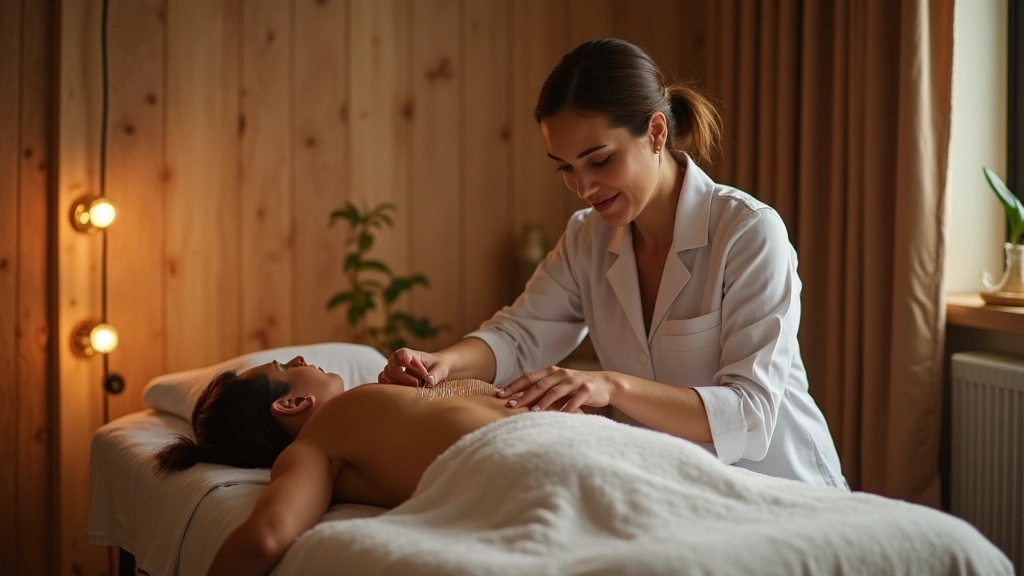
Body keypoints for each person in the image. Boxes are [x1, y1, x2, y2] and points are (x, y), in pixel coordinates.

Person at [379, 38, 846, 489]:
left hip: (783, 485)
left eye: (599, 160)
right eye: (564, 168)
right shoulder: (587, 236)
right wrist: (440, 363)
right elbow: (518, 337)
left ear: (657, 132)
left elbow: (749, 413)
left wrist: (611, 387)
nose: (583, 188)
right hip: (677, 491)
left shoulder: (747, 232)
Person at [156, 355, 564, 575]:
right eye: (284, 367)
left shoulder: (388, 400)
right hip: (541, 464)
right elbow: (266, 535)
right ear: (292, 404)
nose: (300, 357)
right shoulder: (314, 443)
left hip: (580, 441)